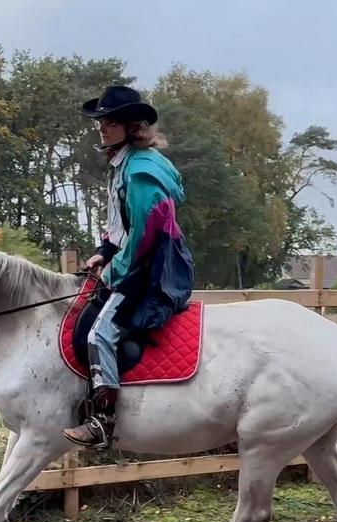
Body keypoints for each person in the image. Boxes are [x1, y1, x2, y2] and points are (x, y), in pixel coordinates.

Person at [62, 85, 194, 448]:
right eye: (101, 122)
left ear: (132, 126)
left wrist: (116, 269)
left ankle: (103, 421)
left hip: (151, 268)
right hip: (134, 260)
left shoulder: (141, 171)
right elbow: (123, 224)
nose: (103, 128)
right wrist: (104, 251)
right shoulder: (124, 163)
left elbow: (145, 235)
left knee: (99, 333)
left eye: (112, 122)